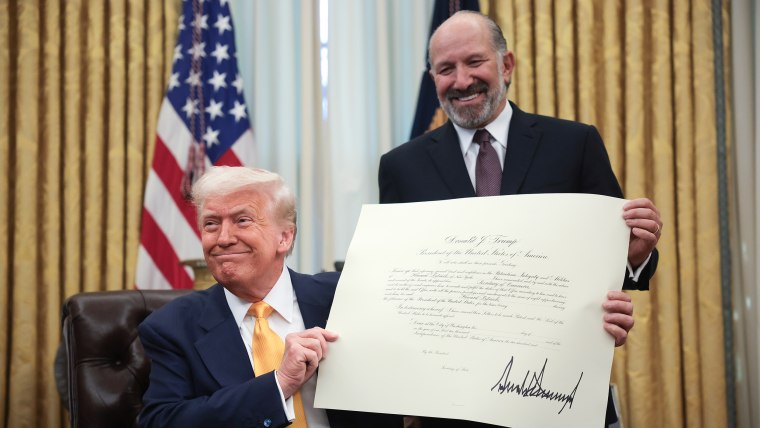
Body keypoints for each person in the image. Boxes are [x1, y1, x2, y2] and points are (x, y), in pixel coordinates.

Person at [378, 11, 662, 427]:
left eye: (474, 62)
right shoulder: (400, 166)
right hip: (452, 410)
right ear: (432, 78)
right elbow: (396, 283)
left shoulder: (574, 143)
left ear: (506, 64)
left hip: (562, 396)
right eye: (445, 69)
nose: (460, 81)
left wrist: (634, 256)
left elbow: (620, 269)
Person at [138, 166, 403, 428]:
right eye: (211, 224)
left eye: (242, 220)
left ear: (284, 238)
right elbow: (161, 421)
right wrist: (280, 383)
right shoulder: (172, 326)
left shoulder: (347, 296)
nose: (224, 238)